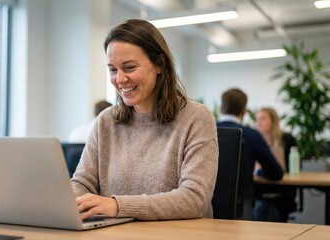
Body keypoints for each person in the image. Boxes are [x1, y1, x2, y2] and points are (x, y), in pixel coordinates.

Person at [70, 19, 218, 221]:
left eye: (129, 68)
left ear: (159, 64)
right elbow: (82, 183)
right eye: (113, 69)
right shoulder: (106, 121)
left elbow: (194, 200)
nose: (120, 79)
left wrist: (117, 206)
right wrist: (62, 201)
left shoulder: (196, 118)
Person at [216, 88, 284, 220]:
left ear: (220, 109)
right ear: (244, 112)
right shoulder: (252, 136)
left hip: (206, 207)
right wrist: (258, 172)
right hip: (241, 209)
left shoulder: (204, 130)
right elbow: (276, 173)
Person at [253, 107, 298, 222]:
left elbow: (293, 167)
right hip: (259, 188)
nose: (259, 122)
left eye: (263, 118)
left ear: (273, 121)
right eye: (257, 119)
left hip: (281, 188)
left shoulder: (286, 139)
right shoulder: (255, 139)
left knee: (262, 208)